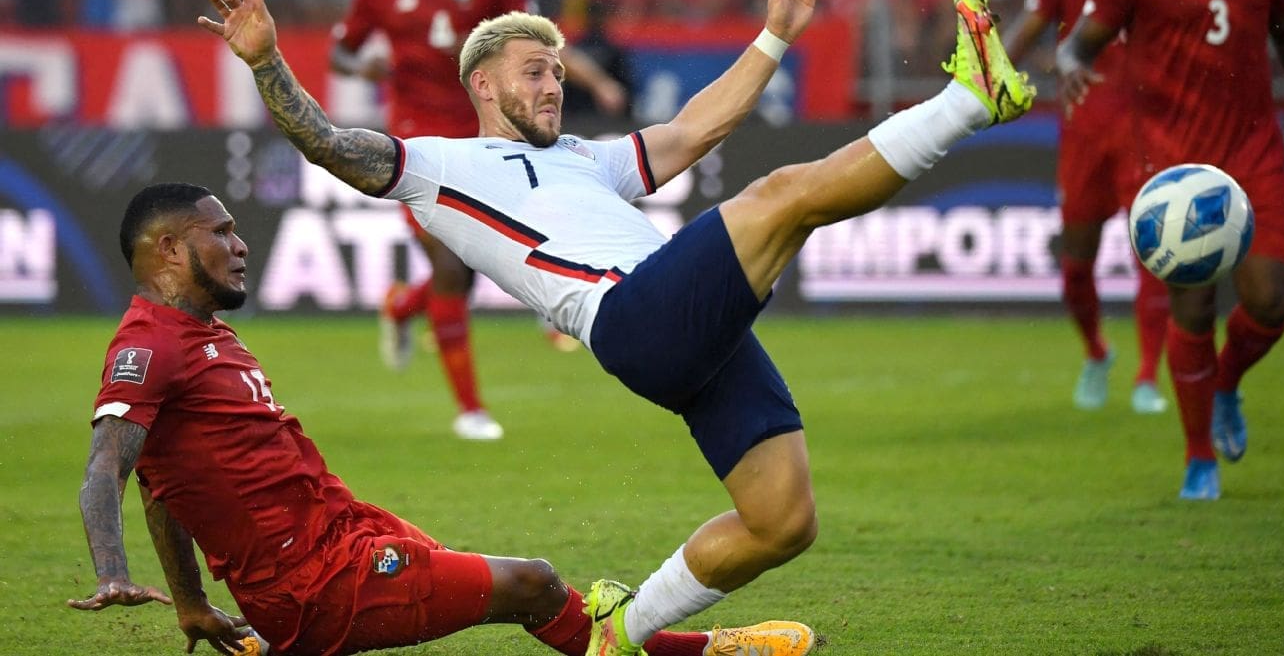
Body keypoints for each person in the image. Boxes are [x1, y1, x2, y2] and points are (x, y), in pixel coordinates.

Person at [199, 0, 1035, 655]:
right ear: (482, 82)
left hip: (683, 330)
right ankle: (969, 99)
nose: (555, 84)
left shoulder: (580, 156)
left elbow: (697, 127)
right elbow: (328, 143)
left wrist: (777, 30)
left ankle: (620, 631)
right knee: (784, 193)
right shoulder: (439, 164)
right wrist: (267, 60)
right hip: (634, 317)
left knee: (782, 520)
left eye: (560, 71)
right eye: (536, 71)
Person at [67, 182, 817, 656]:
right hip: (314, 581)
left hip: (345, 531)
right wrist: (113, 573)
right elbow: (109, 470)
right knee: (532, 582)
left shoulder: (203, 335)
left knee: (501, 584)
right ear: (166, 247)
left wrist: (196, 604)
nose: (240, 243)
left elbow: (161, 483)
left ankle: (273, 642)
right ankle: (699, 648)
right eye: (219, 231)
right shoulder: (148, 346)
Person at [332, 0, 626, 441]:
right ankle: (470, 409)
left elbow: (536, 37)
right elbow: (342, 53)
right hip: (415, 146)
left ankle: (403, 307)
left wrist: (593, 80)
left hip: (485, 138)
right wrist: (364, 66)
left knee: (475, 263)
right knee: (450, 266)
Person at [1058, 0, 1284, 500]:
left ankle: (1226, 384)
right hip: (1174, 171)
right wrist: (1069, 65)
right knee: (1192, 309)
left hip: (1253, 153)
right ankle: (1198, 459)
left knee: (1272, 301)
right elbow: (1077, 44)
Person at [1003, 0, 1170, 415]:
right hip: (1084, 135)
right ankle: (1097, 352)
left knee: (1153, 257)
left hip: (1147, 132)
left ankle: (1146, 378)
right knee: (1076, 265)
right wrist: (982, 79)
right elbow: (1028, 28)